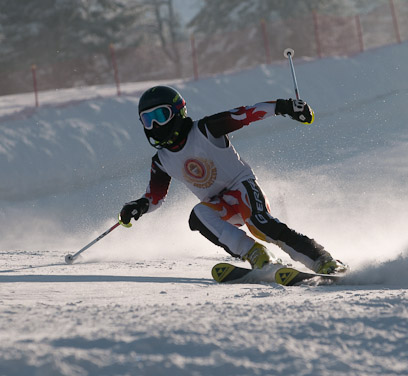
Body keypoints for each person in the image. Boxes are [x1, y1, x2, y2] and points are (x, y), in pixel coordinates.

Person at [119, 85, 337, 274]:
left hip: (241, 187)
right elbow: (155, 197)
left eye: (160, 116)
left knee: (260, 225)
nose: (155, 126)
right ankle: (257, 256)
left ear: (178, 112)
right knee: (198, 216)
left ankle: (322, 259)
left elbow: (245, 114)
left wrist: (283, 107)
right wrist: (139, 206)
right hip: (220, 206)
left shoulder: (205, 129)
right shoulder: (162, 160)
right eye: (147, 120)